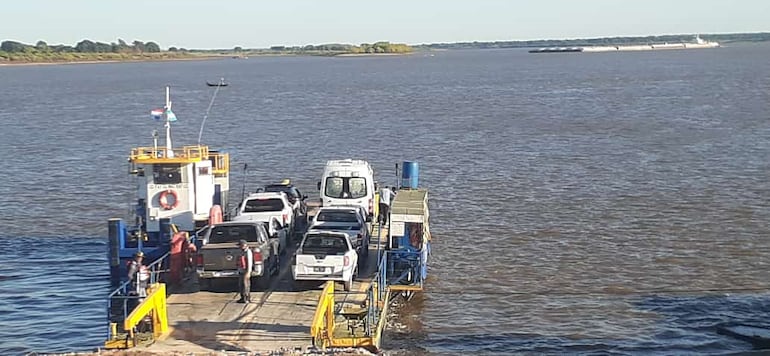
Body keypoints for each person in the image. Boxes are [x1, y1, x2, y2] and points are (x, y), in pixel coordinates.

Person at [236, 239, 253, 304]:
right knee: (241, 285)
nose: (239, 247)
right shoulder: (242, 252)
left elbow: (249, 263)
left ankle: (246, 298)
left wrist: (248, 272)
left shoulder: (248, 252)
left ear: (244, 245)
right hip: (241, 271)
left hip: (246, 271)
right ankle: (242, 297)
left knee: (246, 285)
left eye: (240, 245)